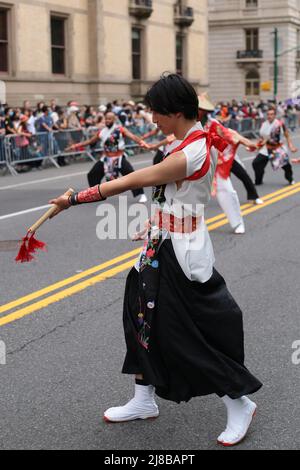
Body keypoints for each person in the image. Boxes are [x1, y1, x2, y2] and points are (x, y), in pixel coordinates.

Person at [50, 74, 262, 447]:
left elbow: (134, 180)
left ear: (176, 111)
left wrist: (74, 199)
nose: (151, 118)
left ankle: (239, 401)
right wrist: (153, 221)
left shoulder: (192, 150)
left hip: (180, 253)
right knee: (138, 318)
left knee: (186, 334)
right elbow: (172, 198)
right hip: (159, 244)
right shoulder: (185, 141)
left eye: (155, 111)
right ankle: (143, 399)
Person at [67, 111, 149, 203]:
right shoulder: (102, 132)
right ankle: (94, 195)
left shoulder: (120, 129)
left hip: (119, 158)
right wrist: (75, 146)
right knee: (92, 174)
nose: (107, 120)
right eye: (106, 118)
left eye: (109, 119)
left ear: (114, 120)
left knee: (131, 174)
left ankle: (141, 194)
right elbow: (90, 141)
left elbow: (133, 137)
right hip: (106, 158)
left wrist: (142, 143)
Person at [252, 107, 297, 186]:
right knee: (256, 163)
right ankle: (258, 180)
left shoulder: (279, 124)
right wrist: (255, 146)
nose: (269, 116)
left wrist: (291, 146)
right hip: (266, 148)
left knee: (286, 166)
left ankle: (290, 179)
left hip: (277, 148)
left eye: (272, 114)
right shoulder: (264, 124)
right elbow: (262, 137)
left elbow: (287, 135)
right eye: (268, 114)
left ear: (275, 115)